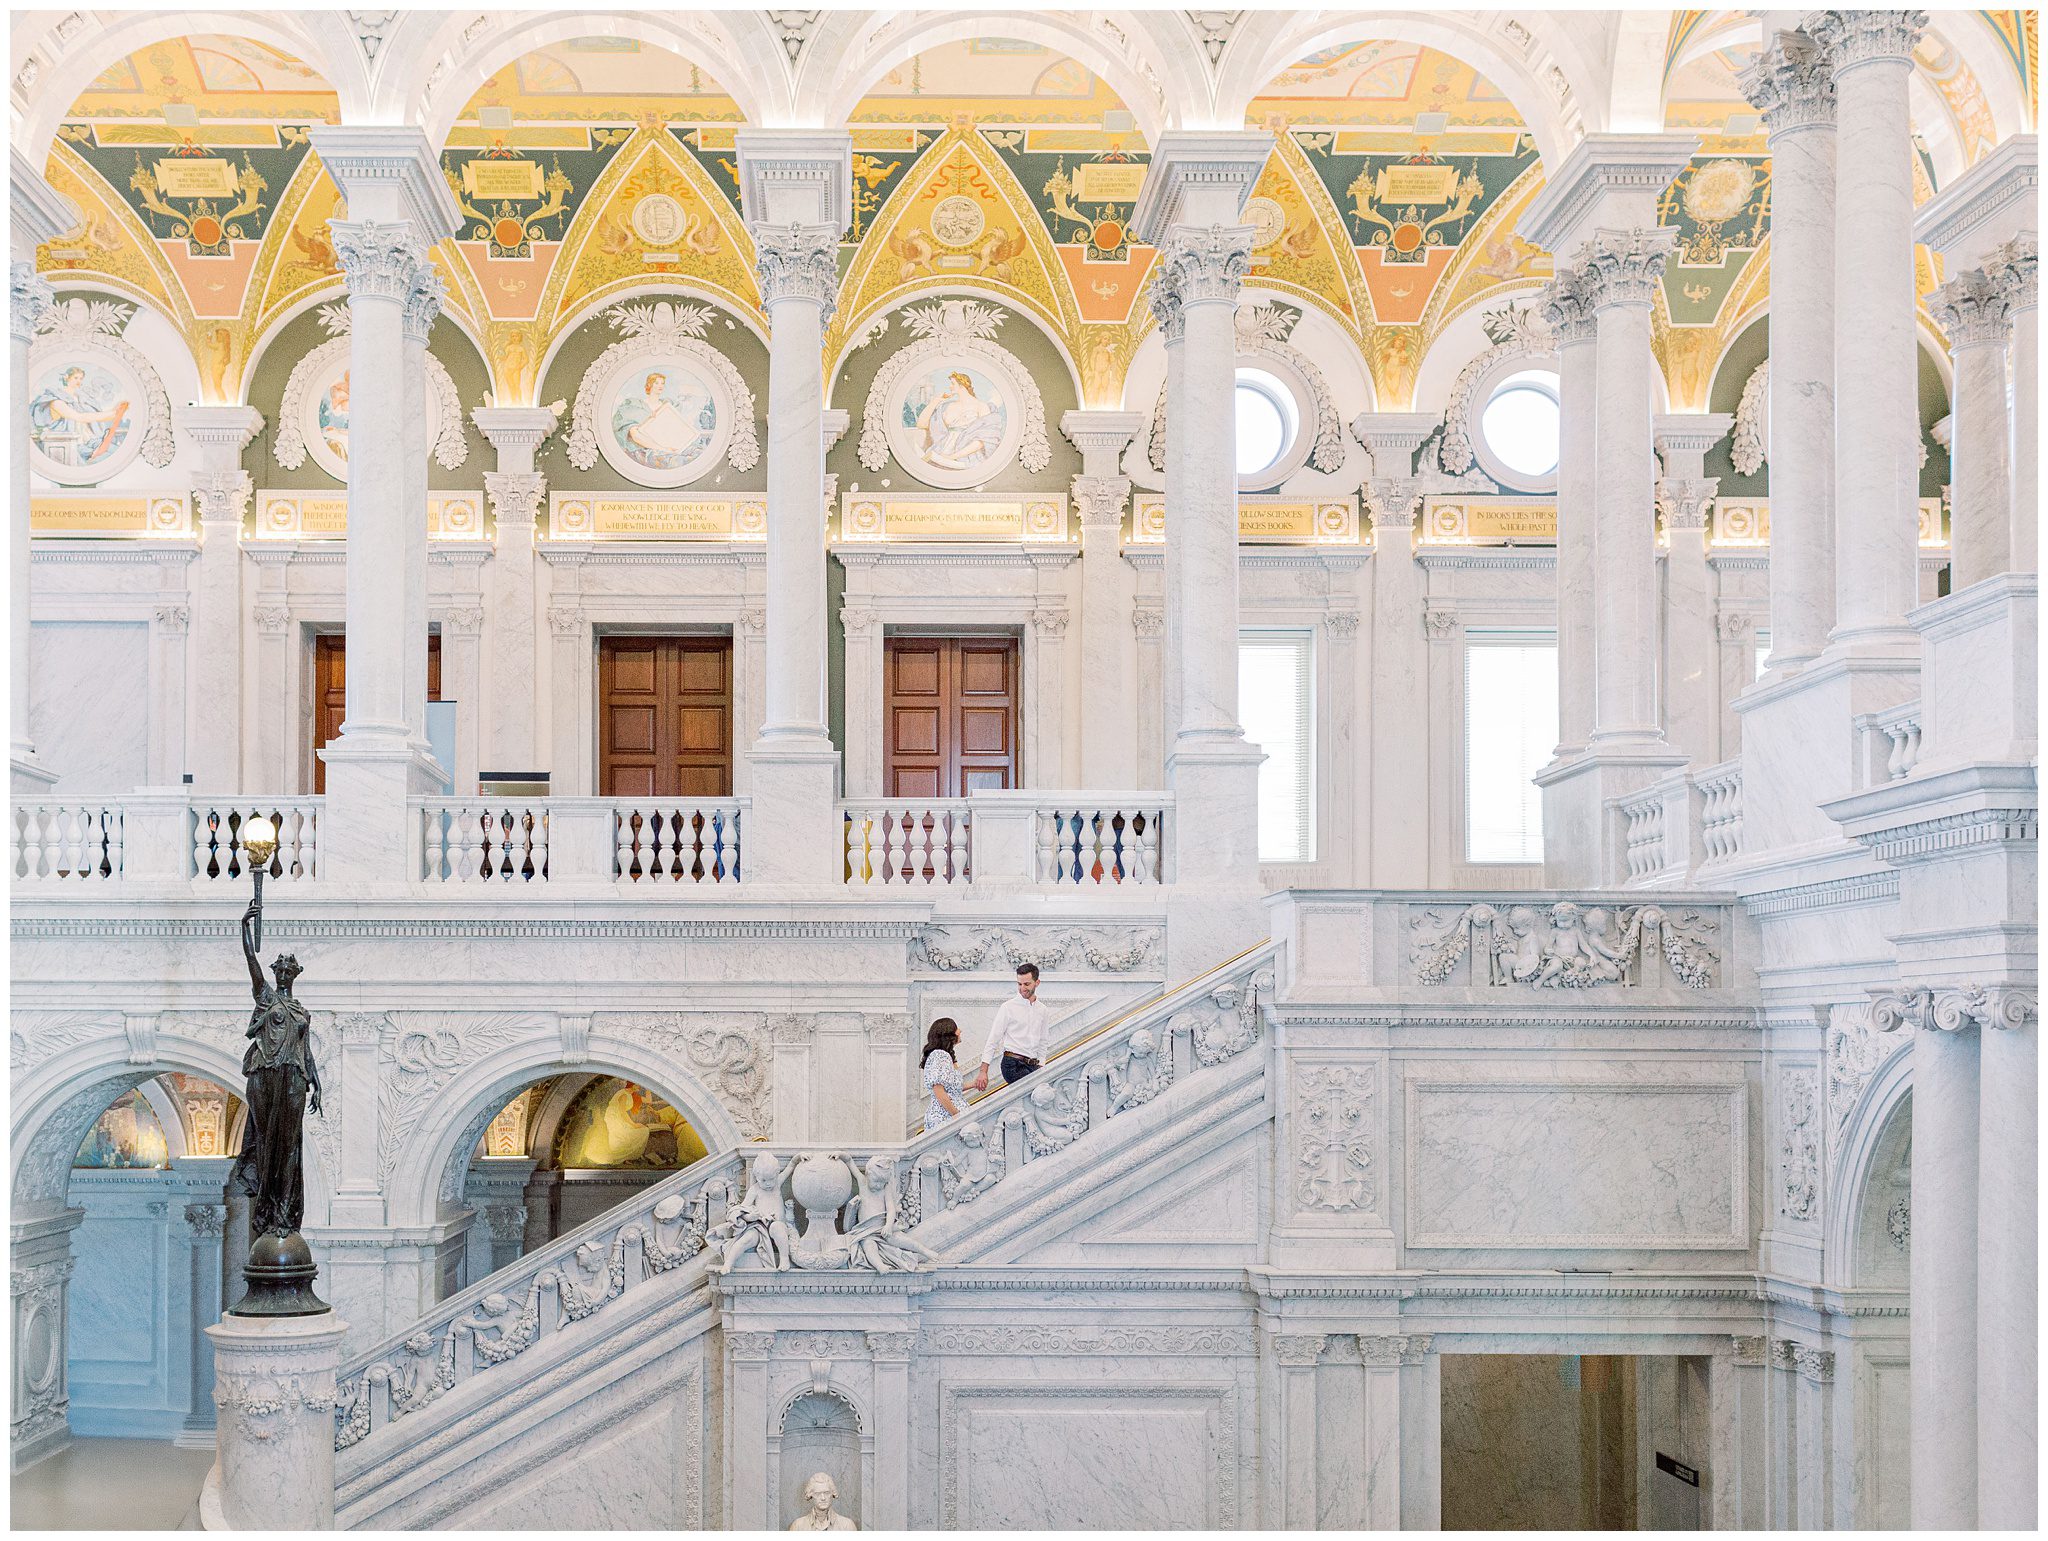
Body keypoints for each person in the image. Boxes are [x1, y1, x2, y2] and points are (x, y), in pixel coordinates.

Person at [232, 895, 321, 1237]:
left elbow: (306, 1050)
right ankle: (267, 1212)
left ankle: (286, 1211)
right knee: (268, 1140)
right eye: (280, 970)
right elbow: (251, 963)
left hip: (294, 1077)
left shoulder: (301, 1011)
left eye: (288, 971)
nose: (283, 974)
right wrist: (244, 927)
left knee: (289, 1144)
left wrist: (318, 1084)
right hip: (266, 1074)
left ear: (295, 974)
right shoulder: (267, 998)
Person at [968, 963, 1052, 1093]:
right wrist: (983, 1071)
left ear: (1037, 982)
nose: (1022, 988)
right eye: (1019, 984)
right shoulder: (1008, 1007)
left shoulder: (1043, 1010)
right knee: (1039, 1093)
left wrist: (1041, 1066)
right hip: (1012, 1064)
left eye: (1027, 984)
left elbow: (1043, 1041)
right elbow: (993, 1039)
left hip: (1033, 1065)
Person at [921, 1017, 966, 1127]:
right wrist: (957, 1115)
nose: (960, 1031)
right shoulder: (941, 1056)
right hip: (945, 1118)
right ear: (949, 1034)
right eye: (956, 1028)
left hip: (947, 1116)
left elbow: (951, 1087)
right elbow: (938, 1090)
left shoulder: (943, 1056)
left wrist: (974, 1084)